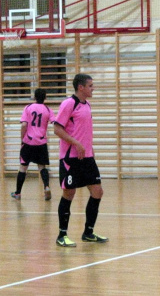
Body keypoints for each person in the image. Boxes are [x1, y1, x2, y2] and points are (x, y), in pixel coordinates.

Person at [52, 73, 108, 247]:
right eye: (90, 86)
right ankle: (62, 235)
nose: (93, 88)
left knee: (97, 192)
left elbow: (85, 133)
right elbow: (57, 129)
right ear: (81, 87)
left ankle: (88, 232)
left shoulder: (87, 105)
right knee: (69, 193)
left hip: (87, 157)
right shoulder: (69, 104)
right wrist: (76, 144)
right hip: (71, 158)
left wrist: (91, 151)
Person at [11, 88, 55, 201]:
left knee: (23, 167)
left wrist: (22, 139)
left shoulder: (28, 108)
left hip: (28, 142)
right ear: (45, 97)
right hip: (41, 142)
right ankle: (46, 186)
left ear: (34, 97)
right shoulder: (48, 109)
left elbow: (24, 125)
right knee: (42, 167)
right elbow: (55, 122)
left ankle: (18, 193)